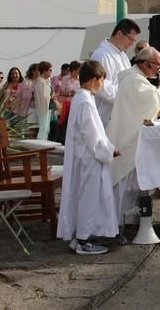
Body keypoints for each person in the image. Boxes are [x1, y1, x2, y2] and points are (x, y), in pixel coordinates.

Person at [57, 60, 120, 255]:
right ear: (94, 80)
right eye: (102, 80)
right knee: (89, 198)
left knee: (85, 196)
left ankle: (81, 236)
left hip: (85, 156)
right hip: (89, 158)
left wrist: (107, 147)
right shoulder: (85, 101)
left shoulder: (83, 97)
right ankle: (84, 239)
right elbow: (91, 133)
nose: (103, 85)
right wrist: (109, 150)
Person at [108, 47, 160, 228]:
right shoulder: (133, 80)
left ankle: (129, 222)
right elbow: (152, 101)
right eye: (158, 65)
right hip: (127, 142)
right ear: (147, 64)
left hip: (130, 138)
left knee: (133, 187)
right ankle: (120, 224)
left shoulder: (136, 78)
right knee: (127, 187)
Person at [91, 18, 141, 127]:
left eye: (134, 41)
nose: (132, 44)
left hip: (121, 115)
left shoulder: (122, 55)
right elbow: (102, 88)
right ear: (119, 33)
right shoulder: (102, 55)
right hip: (105, 116)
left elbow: (128, 80)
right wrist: (127, 96)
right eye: (130, 39)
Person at [34, 61, 56, 140]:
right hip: (42, 108)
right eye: (50, 70)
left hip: (47, 107)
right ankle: (40, 145)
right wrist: (51, 97)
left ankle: (43, 143)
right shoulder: (40, 82)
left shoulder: (46, 82)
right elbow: (42, 97)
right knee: (43, 128)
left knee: (46, 128)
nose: (51, 72)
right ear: (44, 71)